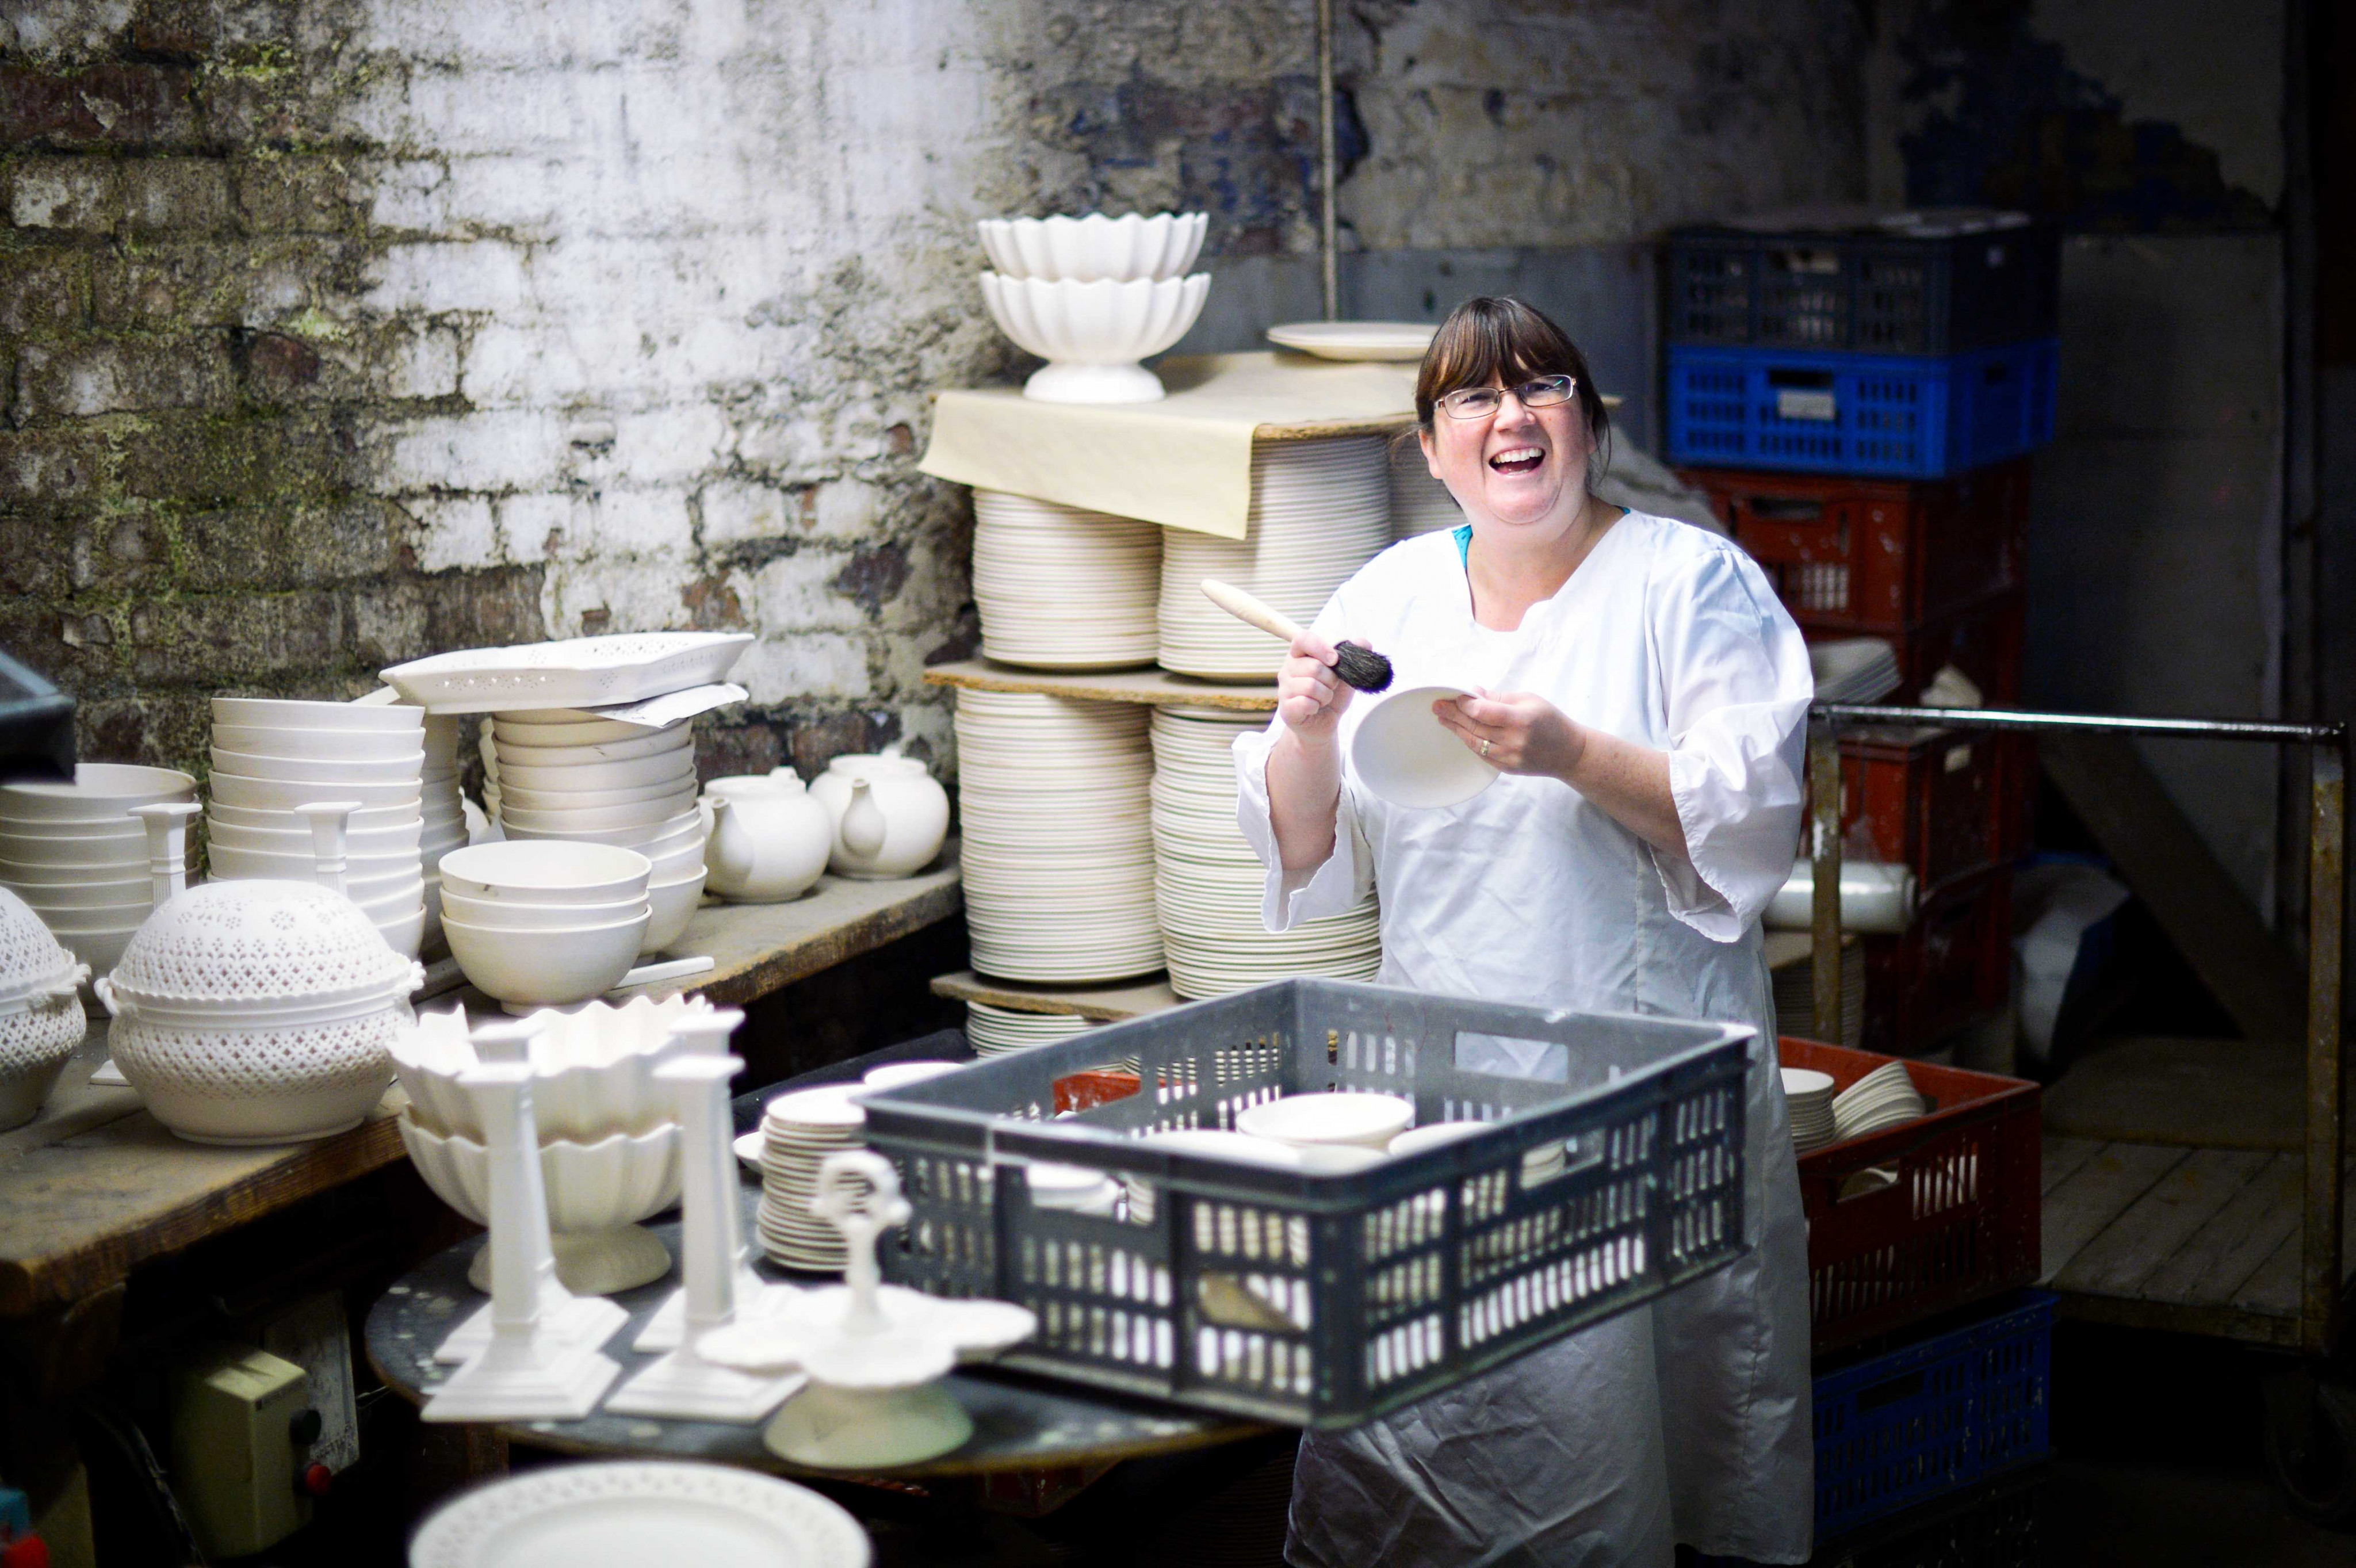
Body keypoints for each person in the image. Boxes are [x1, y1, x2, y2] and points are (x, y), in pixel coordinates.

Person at [1234, 296, 1815, 1566]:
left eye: (1542, 386)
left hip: (1645, 1093)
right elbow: (1297, 845)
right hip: (1438, 1089)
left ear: (1586, 423)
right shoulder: (1386, 596)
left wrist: (1571, 753)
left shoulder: (1687, 582)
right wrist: (1305, 729)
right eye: (1472, 399)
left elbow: (1754, 818)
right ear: (1431, 450)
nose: (1511, 416)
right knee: (1441, 1411)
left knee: (1628, 1418)